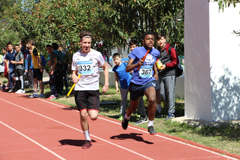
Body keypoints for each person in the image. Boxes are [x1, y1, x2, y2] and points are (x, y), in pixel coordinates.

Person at [72, 31, 109, 149]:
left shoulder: (96, 54)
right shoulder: (75, 55)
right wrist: (73, 76)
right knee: (83, 115)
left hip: (93, 89)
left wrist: (106, 83)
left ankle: (89, 109)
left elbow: (105, 67)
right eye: (85, 43)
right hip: (80, 89)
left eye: (89, 43)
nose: (87, 45)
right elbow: (74, 71)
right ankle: (87, 139)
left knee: (93, 116)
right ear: (80, 43)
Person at [122, 32, 159, 135]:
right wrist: (137, 64)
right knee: (133, 108)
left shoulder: (156, 52)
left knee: (152, 99)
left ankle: (150, 124)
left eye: (152, 39)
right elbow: (127, 68)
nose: (150, 41)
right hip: (136, 83)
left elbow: (153, 63)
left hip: (148, 80)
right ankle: (127, 116)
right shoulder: (137, 51)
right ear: (143, 41)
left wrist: (155, 73)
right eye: (148, 39)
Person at [155, 33, 178, 120]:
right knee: (162, 93)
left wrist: (166, 65)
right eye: (158, 40)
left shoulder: (170, 49)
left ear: (165, 40)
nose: (160, 41)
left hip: (170, 74)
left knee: (170, 93)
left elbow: (176, 61)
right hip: (161, 74)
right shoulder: (158, 51)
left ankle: (171, 113)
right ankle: (172, 110)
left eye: (161, 39)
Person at [128, 39, 148, 124]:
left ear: (137, 46)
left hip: (143, 79)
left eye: (133, 47)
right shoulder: (132, 56)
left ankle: (144, 117)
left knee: (140, 98)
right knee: (138, 98)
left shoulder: (141, 54)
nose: (132, 48)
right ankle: (143, 115)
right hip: (136, 79)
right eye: (130, 47)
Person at [112, 53, 132, 120]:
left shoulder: (125, 64)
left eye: (117, 59)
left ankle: (134, 112)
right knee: (123, 100)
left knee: (134, 99)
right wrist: (117, 87)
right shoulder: (115, 69)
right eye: (114, 59)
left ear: (120, 58)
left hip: (130, 84)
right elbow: (116, 79)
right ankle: (122, 113)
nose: (116, 61)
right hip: (123, 87)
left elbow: (131, 70)